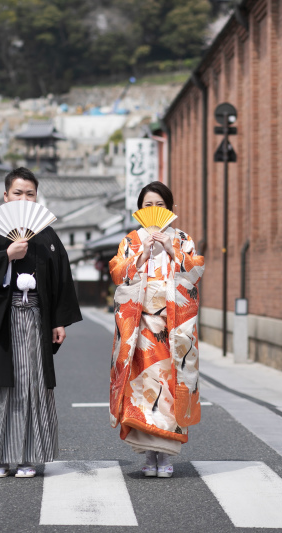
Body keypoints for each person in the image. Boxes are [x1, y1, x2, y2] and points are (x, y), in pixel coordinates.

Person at [0, 167, 82, 479]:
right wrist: (6, 255)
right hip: (3, 319)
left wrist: (58, 320)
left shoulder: (45, 234)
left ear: (36, 196)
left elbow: (60, 278)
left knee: (32, 384)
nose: (24, 198)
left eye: (30, 193)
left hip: (36, 319)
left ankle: (28, 457)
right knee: (1, 387)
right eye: (18, 192)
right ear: (5, 196)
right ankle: (0, 459)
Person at [108, 181, 205, 478]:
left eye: (159, 205)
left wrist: (171, 250)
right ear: (140, 209)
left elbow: (196, 270)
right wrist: (141, 256)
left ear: (169, 209)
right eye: (148, 205)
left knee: (169, 392)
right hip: (140, 331)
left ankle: (165, 457)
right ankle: (149, 456)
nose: (154, 210)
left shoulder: (181, 239)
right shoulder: (132, 240)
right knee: (142, 393)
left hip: (173, 331)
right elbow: (117, 273)